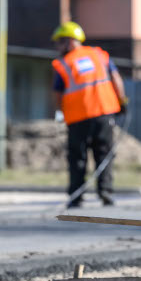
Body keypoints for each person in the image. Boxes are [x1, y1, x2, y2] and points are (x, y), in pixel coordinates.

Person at [51, 21, 128, 208]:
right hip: (103, 114)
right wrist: (122, 101)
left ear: (70, 41)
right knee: (104, 154)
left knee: (77, 158)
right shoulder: (98, 55)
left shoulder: (64, 63)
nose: (57, 47)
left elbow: (57, 94)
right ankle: (106, 193)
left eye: (59, 42)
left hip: (77, 118)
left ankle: (76, 197)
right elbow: (116, 78)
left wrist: (61, 112)